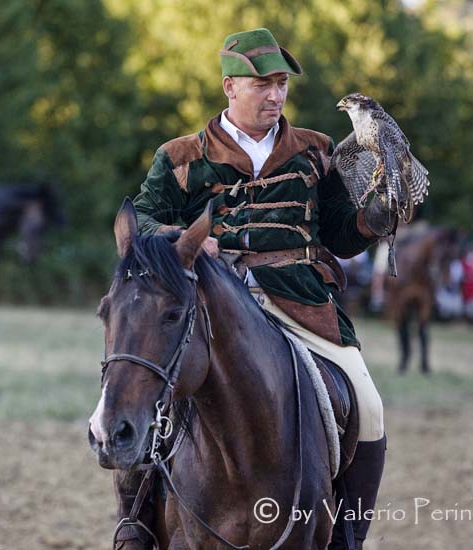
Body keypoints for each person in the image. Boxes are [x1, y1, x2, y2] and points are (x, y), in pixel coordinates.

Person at [123, 28, 396, 550]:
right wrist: (184, 239)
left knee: (370, 406)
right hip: (211, 304)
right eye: (263, 84)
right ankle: (134, 525)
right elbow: (141, 220)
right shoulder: (181, 156)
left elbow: (339, 233)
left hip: (304, 302)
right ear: (229, 87)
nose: (276, 95)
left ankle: (348, 538)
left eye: (281, 85)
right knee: (142, 394)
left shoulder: (316, 151)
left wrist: (374, 217)